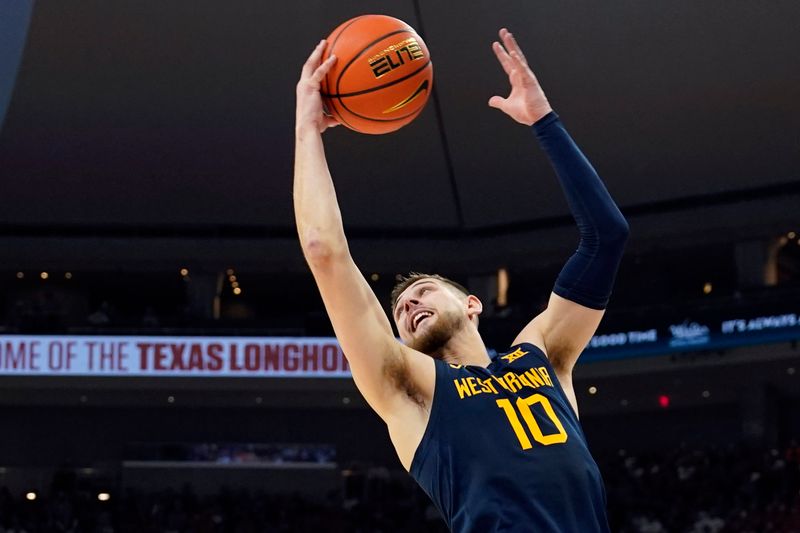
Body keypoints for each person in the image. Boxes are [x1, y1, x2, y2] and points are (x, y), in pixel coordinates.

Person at [294, 27, 629, 533]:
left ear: (472, 304)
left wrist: (544, 120)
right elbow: (324, 251)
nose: (407, 307)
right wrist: (306, 131)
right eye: (400, 311)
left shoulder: (541, 353)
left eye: (422, 291)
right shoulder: (410, 390)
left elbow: (606, 237)